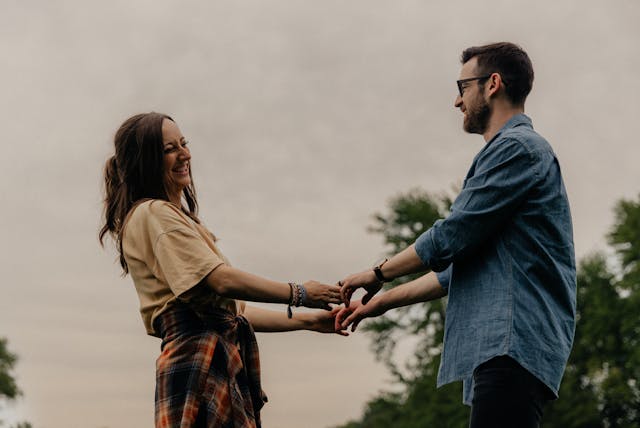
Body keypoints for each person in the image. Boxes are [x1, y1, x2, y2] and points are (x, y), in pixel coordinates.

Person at [337, 42, 576, 428]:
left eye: (463, 86)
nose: (456, 100)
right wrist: (380, 304)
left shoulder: (517, 149)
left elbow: (450, 235)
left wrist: (377, 273)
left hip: (511, 344)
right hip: (505, 351)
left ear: (492, 83)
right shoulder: (512, 153)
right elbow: (456, 270)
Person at [99, 112, 345, 428]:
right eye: (169, 149)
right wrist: (300, 293)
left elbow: (235, 312)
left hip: (212, 356)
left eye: (183, 144)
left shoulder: (172, 218)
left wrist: (310, 321)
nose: (185, 154)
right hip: (197, 360)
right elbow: (222, 281)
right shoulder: (153, 213)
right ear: (146, 161)